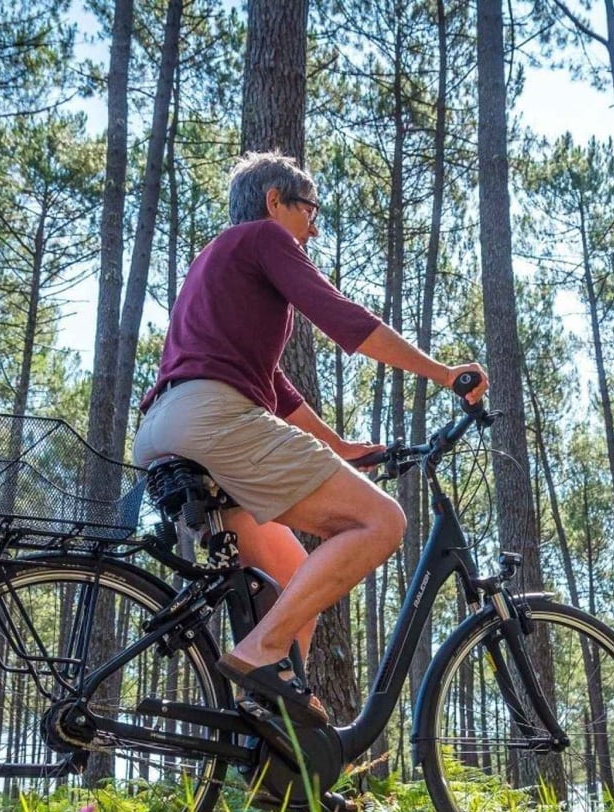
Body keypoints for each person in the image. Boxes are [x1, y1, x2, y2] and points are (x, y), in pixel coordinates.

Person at [132, 151, 488, 727]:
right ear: (275, 201)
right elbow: (341, 316)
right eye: (310, 209)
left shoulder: (216, 260)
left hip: (164, 428)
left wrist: (339, 447)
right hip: (216, 421)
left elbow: (273, 384)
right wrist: (445, 374)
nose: (315, 228)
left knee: (294, 582)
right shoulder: (263, 240)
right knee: (381, 522)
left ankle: (280, 762)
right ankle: (257, 655)